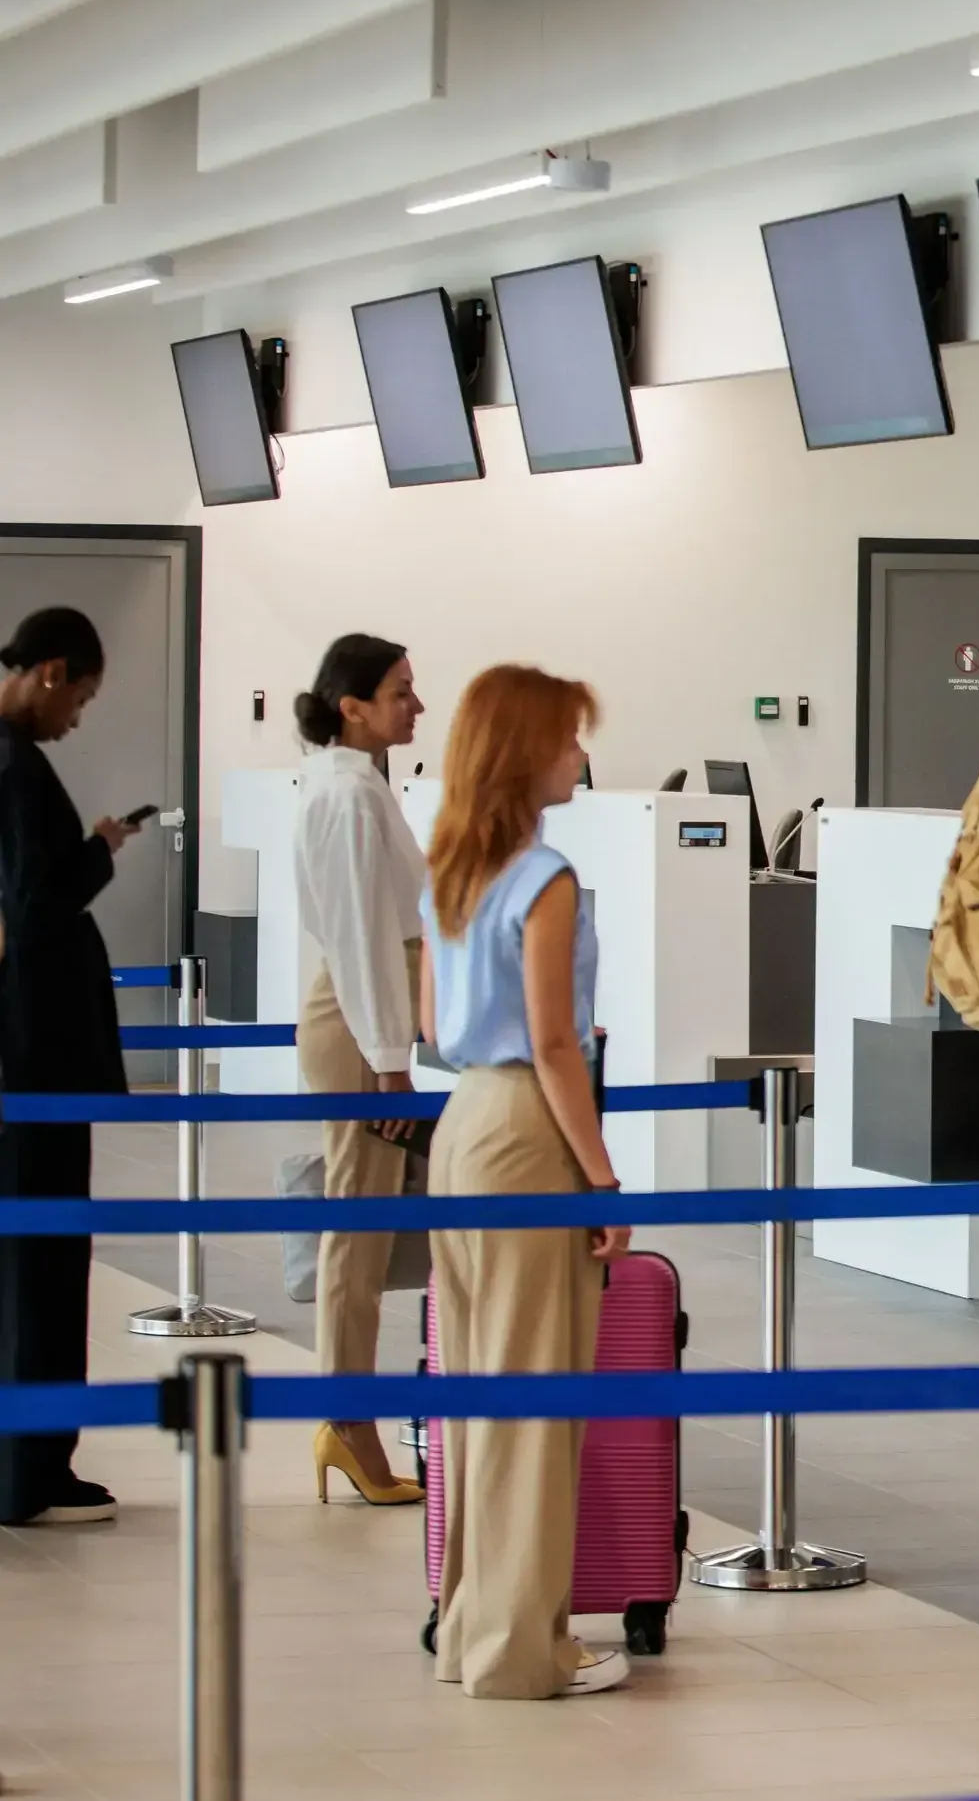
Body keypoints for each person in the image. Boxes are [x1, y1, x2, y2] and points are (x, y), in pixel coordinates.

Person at [417, 664, 632, 1698]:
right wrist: (601, 1177)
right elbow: (556, 1041)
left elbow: (429, 1023)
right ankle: (520, 1646)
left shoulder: (452, 869)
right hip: (524, 1128)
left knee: (477, 1397)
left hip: (460, 1122)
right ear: (526, 749)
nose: (582, 757)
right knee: (536, 1399)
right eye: (569, 739)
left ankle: (476, 1626)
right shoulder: (543, 875)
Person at [0, 608, 141, 1529]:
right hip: (35, 1058)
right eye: (80, 698)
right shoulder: (16, 767)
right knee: (43, 1267)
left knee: (40, 1264)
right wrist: (101, 849)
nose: (77, 720)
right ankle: (30, 1468)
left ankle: (39, 1459)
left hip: (28, 1058)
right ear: (51, 671)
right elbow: (37, 904)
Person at [293, 634, 429, 1507]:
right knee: (358, 1228)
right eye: (401, 691)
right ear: (353, 705)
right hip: (356, 1022)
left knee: (367, 1225)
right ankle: (350, 1425)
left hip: (367, 1015)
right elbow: (362, 941)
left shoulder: (363, 787)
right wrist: (388, 1064)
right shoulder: (347, 796)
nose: (418, 704)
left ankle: (351, 1418)